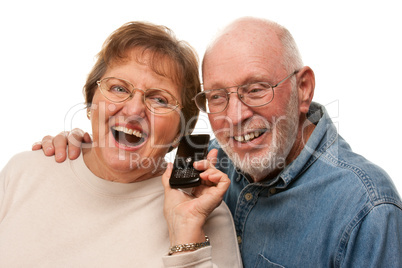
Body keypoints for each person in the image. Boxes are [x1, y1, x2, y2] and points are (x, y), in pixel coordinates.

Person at [34, 17, 402, 267]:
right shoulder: (209, 162)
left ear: (302, 88)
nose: (236, 115)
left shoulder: (368, 209)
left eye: (256, 89)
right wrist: (83, 152)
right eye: (218, 96)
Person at [0, 21, 242, 267]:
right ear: (90, 103)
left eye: (159, 99)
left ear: (180, 131)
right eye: (118, 88)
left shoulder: (204, 213)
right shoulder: (22, 173)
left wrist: (186, 235)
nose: (134, 109)